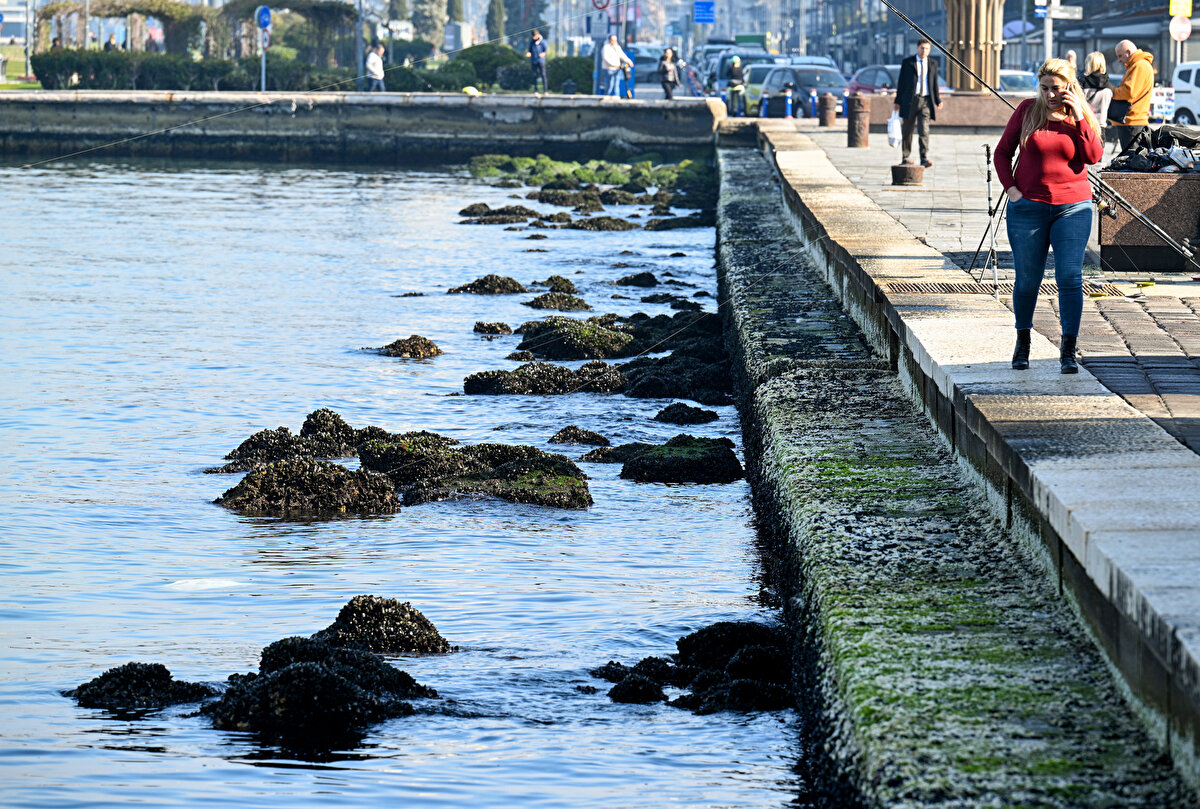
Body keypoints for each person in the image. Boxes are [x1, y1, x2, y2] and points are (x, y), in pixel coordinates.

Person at [994, 58, 1103, 374]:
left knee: (1069, 276)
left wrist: (1080, 116)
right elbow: (1003, 152)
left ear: (1069, 87)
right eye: (1045, 88)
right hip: (1028, 209)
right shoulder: (1028, 110)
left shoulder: (1080, 114)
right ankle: (1023, 339)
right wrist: (1012, 190)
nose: (1050, 95)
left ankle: (1068, 348)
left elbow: (1093, 156)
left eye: (1056, 88)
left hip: (1074, 206)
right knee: (1028, 280)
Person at [893, 37, 943, 167]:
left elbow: (934, 84)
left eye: (927, 49)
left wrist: (937, 100)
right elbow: (901, 83)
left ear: (930, 50)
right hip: (910, 101)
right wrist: (897, 101)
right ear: (917, 48)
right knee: (907, 130)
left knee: (924, 130)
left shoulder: (932, 63)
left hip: (926, 101)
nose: (924, 51)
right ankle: (906, 156)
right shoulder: (908, 63)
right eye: (922, 48)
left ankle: (924, 158)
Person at [1110, 39, 1154, 152]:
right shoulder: (1139, 64)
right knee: (1134, 159)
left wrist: (1112, 91)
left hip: (1132, 121)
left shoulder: (1139, 65)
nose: (1119, 60)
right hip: (1134, 121)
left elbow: (1129, 92)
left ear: (1128, 52)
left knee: (1132, 160)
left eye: (1120, 56)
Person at [1079, 51, 1111, 135]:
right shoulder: (1108, 84)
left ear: (1089, 64)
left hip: (1084, 123)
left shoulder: (1081, 82)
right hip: (1101, 126)